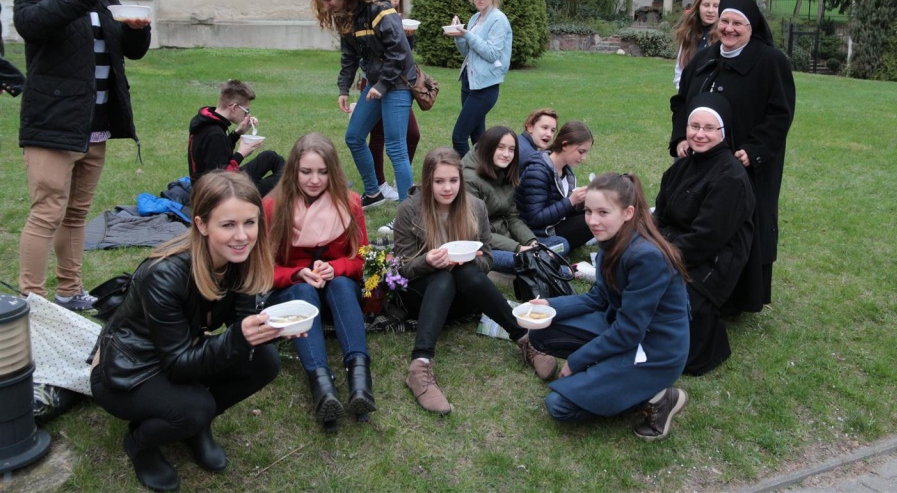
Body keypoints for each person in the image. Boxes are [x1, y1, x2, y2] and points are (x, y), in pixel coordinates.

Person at [90, 171, 283, 492]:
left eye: (250, 222)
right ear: (201, 225)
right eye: (228, 225)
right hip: (128, 371)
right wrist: (239, 337)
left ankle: (195, 427)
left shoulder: (240, 258)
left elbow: (242, 322)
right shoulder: (165, 274)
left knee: (264, 359)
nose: (242, 236)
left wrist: (275, 328)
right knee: (195, 407)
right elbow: (179, 365)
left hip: (180, 349)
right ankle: (140, 442)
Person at [15, 0, 151, 310]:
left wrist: (137, 30)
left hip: (95, 124)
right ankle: (32, 301)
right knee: (47, 212)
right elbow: (32, 24)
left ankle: (70, 291)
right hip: (54, 122)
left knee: (77, 213)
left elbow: (129, 52)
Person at [392, 147, 557, 414]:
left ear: (461, 179)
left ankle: (525, 340)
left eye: (453, 180)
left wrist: (470, 261)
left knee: (465, 272)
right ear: (427, 181)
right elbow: (402, 268)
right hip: (422, 298)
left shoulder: (475, 207)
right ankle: (420, 364)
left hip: (464, 298)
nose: (447, 188)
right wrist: (428, 261)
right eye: (439, 181)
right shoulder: (409, 210)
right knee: (443, 277)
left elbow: (487, 259)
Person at [528, 172, 691, 440]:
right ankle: (606, 373)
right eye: (588, 211)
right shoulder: (612, 241)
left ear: (628, 213)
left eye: (603, 212)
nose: (592, 220)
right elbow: (598, 298)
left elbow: (629, 333)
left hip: (654, 350)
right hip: (621, 329)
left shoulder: (647, 257)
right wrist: (548, 305)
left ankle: (659, 398)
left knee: (558, 405)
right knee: (540, 331)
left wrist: (576, 361)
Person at [669, 0, 796, 313]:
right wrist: (680, 138)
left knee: (744, 223)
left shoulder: (771, 61)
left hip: (748, 164)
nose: (729, 28)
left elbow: (780, 114)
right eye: (724, 21)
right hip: (701, 159)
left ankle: (740, 297)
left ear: (752, 26)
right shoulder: (705, 57)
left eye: (737, 23)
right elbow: (681, 102)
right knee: (701, 217)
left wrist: (754, 150)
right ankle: (693, 280)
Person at [264, 133, 374, 429]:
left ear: (333, 171)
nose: (314, 180)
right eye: (306, 172)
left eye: (322, 172)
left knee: (340, 284)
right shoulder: (273, 206)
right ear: (293, 171)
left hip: (339, 296)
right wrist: (295, 273)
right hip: (295, 297)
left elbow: (362, 259)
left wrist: (336, 268)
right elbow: (261, 270)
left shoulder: (350, 203)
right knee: (302, 289)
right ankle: (323, 389)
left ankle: (360, 383)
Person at [656, 94, 755, 375]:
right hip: (673, 246)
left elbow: (707, 238)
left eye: (709, 128)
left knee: (667, 310)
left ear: (723, 132)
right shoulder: (680, 167)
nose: (699, 134)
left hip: (712, 262)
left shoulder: (731, 177)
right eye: (694, 126)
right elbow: (659, 214)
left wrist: (659, 254)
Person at [312, 0, 416, 208]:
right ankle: (373, 192)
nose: (327, 6)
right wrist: (344, 88)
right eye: (322, 1)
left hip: (398, 82)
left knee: (396, 149)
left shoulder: (378, 8)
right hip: (375, 83)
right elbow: (349, 56)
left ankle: (408, 212)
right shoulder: (345, 16)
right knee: (354, 137)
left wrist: (383, 84)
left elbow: (400, 51)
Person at [462, 126, 567, 274]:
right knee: (520, 259)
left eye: (511, 150)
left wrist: (532, 242)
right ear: (488, 148)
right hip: (484, 245)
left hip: (509, 238)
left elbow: (512, 217)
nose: (506, 154)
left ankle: (535, 261)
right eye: (501, 148)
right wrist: (519, 248)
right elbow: (476, 232)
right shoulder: (469, 179)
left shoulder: (505, 171)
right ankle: (565, 271)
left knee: (561, 244)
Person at [369, 0, 420, 203]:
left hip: (399, 84)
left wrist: (408, 36)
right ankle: (379, 184)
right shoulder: (375, 17)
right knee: (377, 134)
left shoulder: (398, 18)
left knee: (412, 134)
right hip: (378, 82)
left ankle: (401, 181)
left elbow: (404, 54)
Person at [449, 0, 513, 157]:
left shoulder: (498, 19)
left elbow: (492, 53)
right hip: (469, 81)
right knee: (478, 137)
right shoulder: (475, 17)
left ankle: (468, 173)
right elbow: (469, 53)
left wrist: (467, 34)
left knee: (459, 137)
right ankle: (485, 172)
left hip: (485, 87)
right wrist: (459, 36)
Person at [188, 79, 285, 197]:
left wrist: (237, 133)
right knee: (285, 180)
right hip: (218, 195)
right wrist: (241, 153)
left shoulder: (207, 121)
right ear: (234, 108)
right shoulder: (215, 134)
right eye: (246, 111)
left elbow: (218, 154)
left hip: (215, 183)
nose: (247, 115)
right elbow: (220, 180)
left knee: (270, 157)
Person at [516, 120, 594, 253]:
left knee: (598, 210)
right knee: (593, 220)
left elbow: (560, 207)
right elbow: (534, 219)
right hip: (539, 232)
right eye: (581, 151)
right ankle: (542, 251)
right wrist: (571, 201)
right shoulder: (537, 172)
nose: (584, 157)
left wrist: (579, 204)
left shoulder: (566, 170)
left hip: (555, 223)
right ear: (565, 145)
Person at [671, 0, 721, 89]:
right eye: (706, 5)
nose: (710, 10)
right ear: (698, 7)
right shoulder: (688, 34)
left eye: (716, 6)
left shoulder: (724, 37)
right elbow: (680, 72)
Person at [517, 107, 558, 172]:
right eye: (545, 128)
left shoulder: (518, 140)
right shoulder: (530, 156)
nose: (549, 134)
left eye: (552, 130)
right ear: (530, 127)